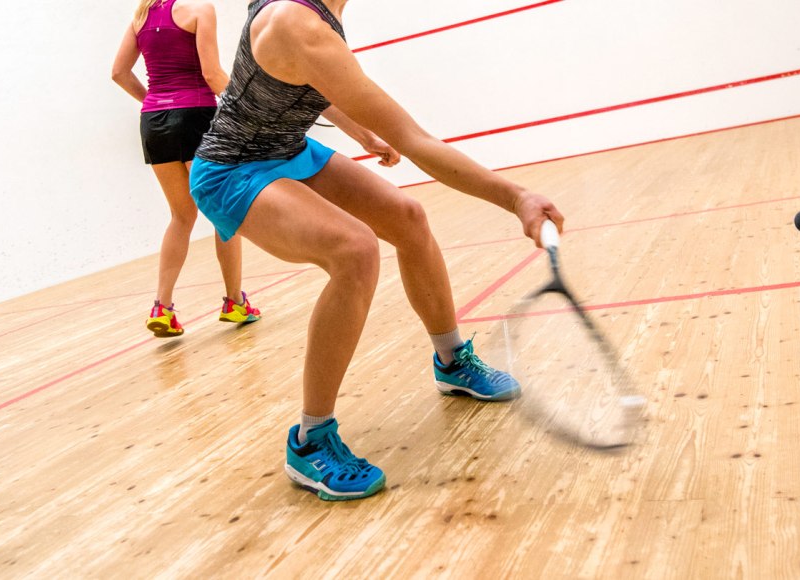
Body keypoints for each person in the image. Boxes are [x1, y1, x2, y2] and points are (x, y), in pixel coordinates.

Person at [190, 0, 564, 501]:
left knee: (408, 218)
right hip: (232, 168)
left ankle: (452, 361)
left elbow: (304, 79)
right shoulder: (295, 21)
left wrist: (357, 128)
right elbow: (413, 139)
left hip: (291, 149)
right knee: (355, 251)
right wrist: (515, 198)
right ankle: (309, 441)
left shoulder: (319, 13)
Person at [112, 0, 261, 337]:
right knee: (223, 211)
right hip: (195, 118)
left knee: (182, 215)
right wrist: (247, 109)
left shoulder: (140, 16)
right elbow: (211, 74)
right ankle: (235, 303)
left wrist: (155, 100)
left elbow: (118, 72)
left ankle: (162, 308)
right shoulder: (199, 10)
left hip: (153, 123)